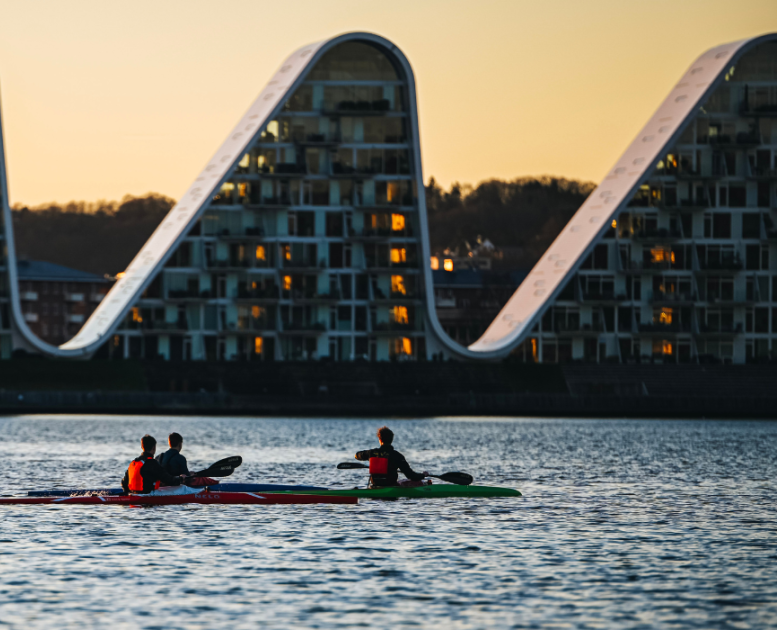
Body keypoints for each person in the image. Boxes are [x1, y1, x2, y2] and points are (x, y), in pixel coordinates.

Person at [354, 426, 430, 488]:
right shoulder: (397, 456)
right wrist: (423, 475)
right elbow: (411, 475)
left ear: (380, 440)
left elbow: (357, 455)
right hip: (391, 486)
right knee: (418, 482)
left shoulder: (371, 453)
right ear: (391, 440)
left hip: (375, 486)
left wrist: (369, 457)